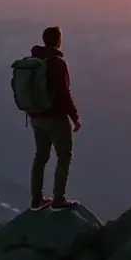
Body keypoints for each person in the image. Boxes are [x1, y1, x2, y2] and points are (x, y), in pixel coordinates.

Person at [27, 26, 82, 212]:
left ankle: (36, 200)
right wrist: (75, 117)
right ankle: (58, 199)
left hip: (35, 116)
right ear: (58, 40)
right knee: (64, 156)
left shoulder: (34, 61)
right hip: (55, 118)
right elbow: (64, 93)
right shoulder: (57, 64)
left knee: (40, 157)